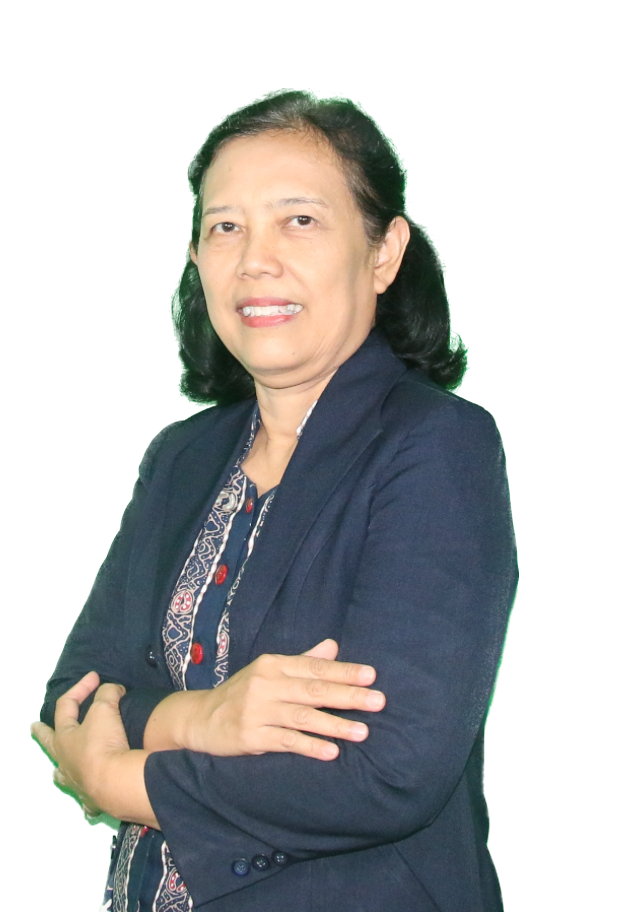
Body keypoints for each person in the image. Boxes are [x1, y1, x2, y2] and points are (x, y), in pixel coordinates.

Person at [30, 88, 517, 911]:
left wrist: (120, 781)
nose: (256, 259)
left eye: (299, 220)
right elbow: (72, 699)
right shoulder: (179, 457)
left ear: (384, 252)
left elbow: (386, 772)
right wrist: (209, 719)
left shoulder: (438, 446)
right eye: (226, 226)